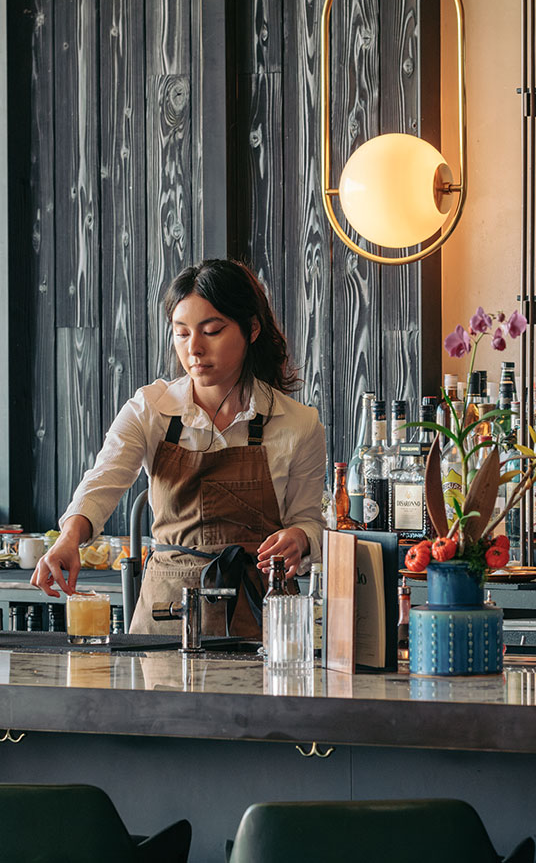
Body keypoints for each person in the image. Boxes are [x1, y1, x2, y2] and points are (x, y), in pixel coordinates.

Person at [31, 260, 325, 638]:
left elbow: (309, 520)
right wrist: (68, 540)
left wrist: (300, 538)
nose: (194, 349)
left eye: (212, 331)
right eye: (182, 333)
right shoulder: (151, 409)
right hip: (166, 613)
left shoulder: (298, 423)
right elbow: (103, 481)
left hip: (263, 615)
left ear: (252, 328)